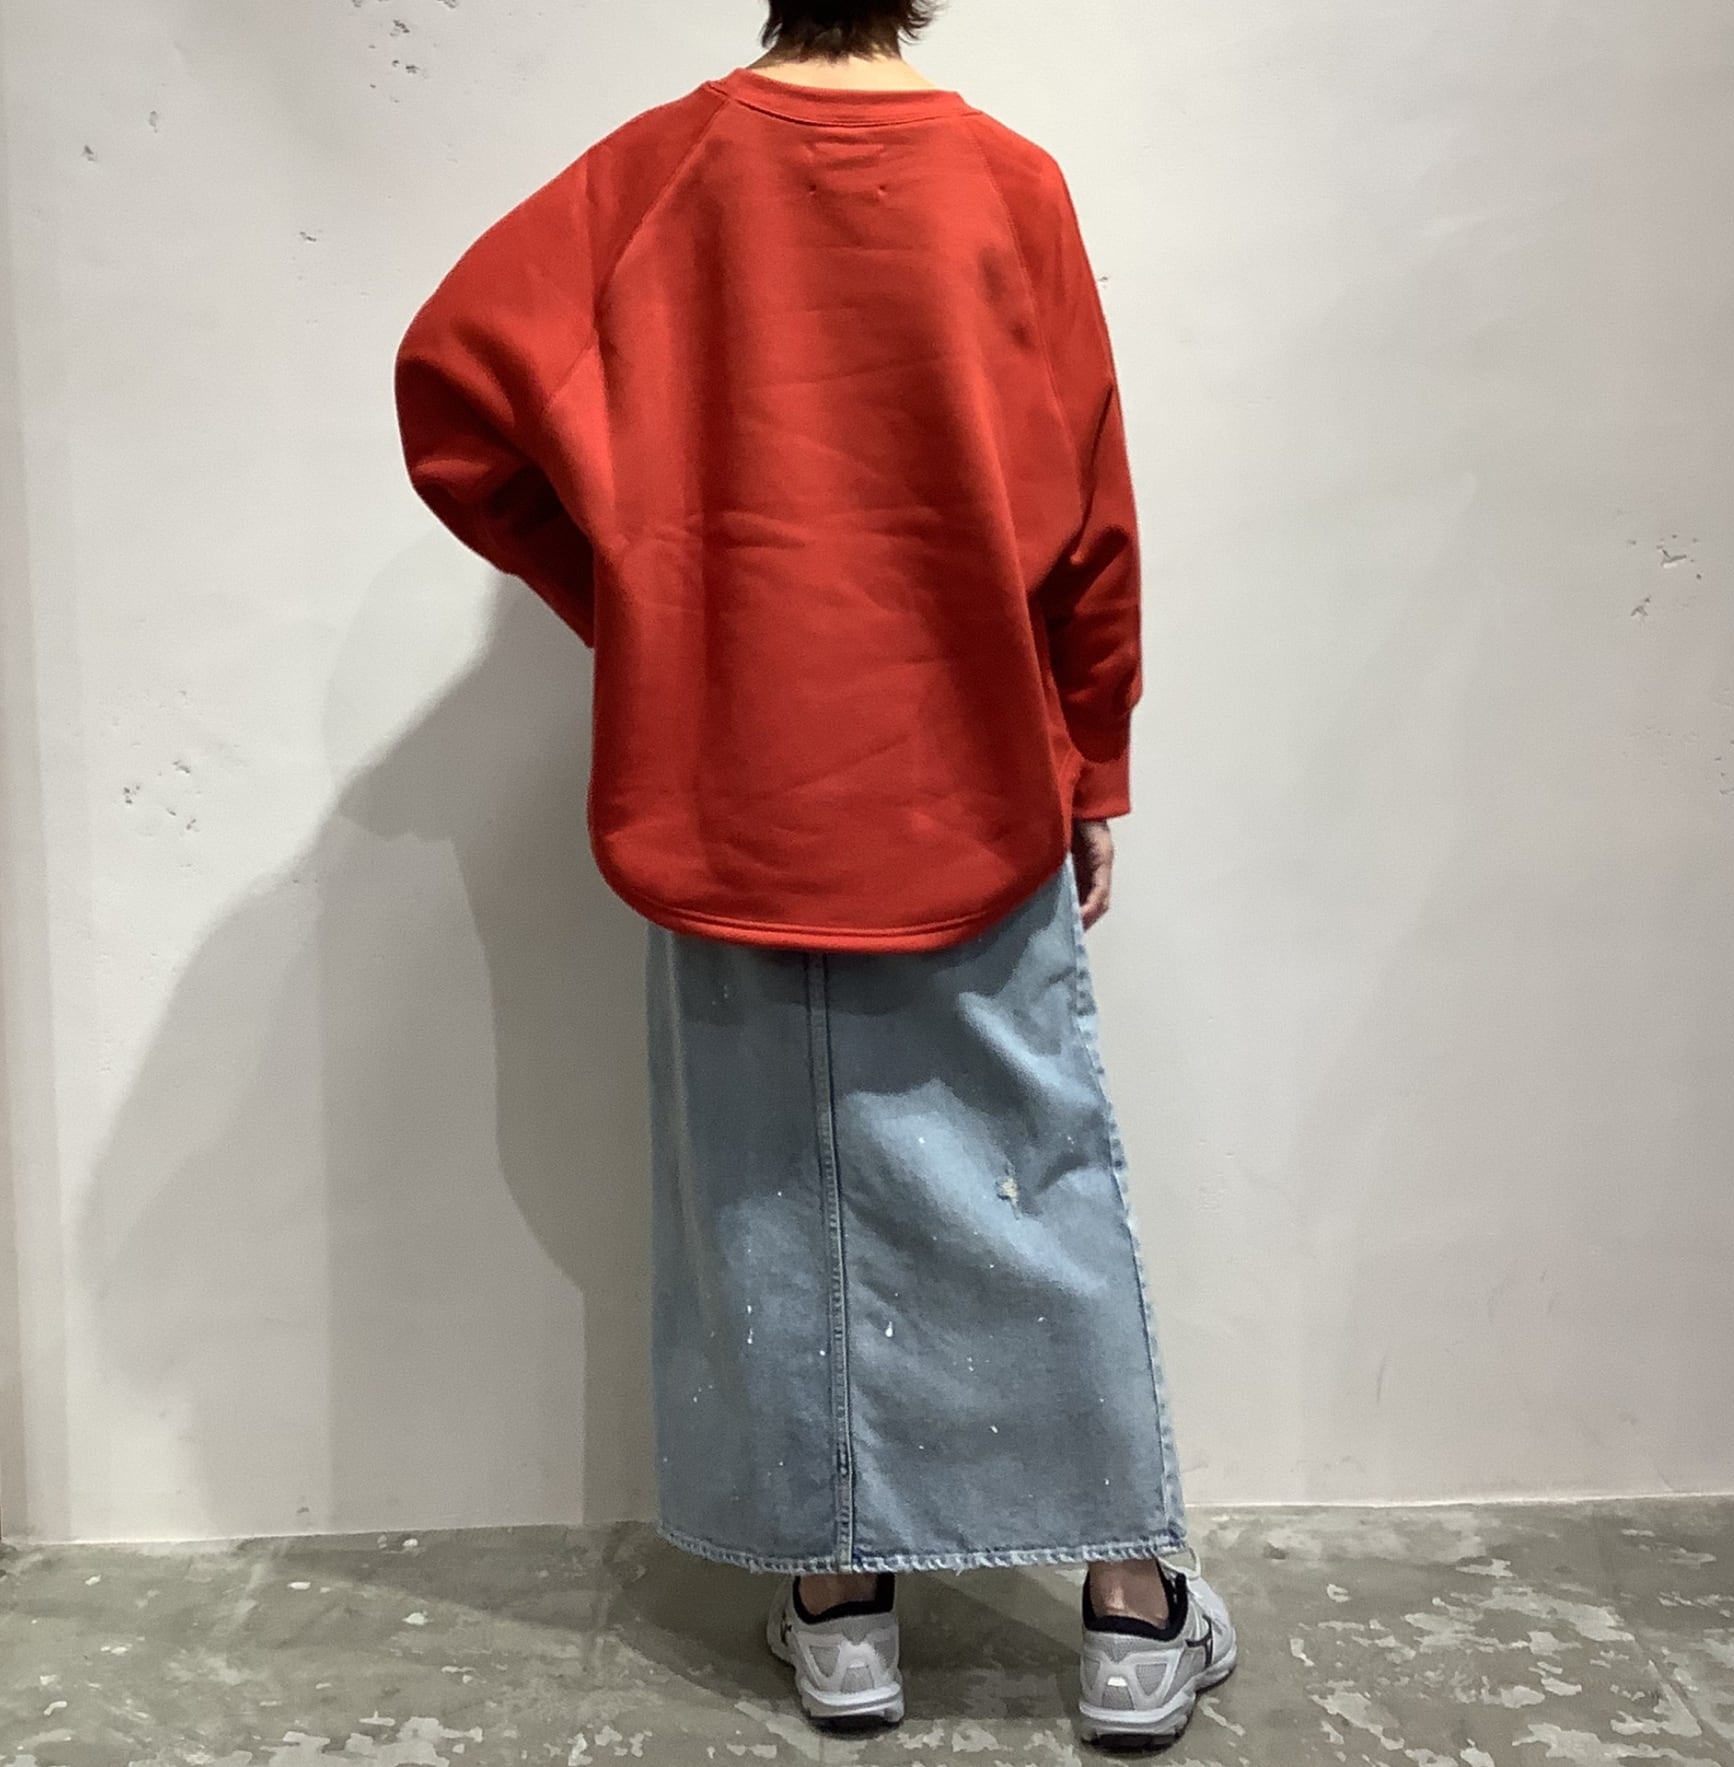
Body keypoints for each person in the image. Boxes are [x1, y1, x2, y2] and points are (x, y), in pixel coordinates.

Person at [393, 0, 1237, 1743]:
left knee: (771, 1195)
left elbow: (459, 398)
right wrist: (1091, 753)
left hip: (731, 787)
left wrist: (657, 616)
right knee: (1031, 1181)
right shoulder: (1008, 183)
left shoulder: (657, 176)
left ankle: (841, 1617)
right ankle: (1129, 1611)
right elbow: (1091, 512)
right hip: (967, 775)